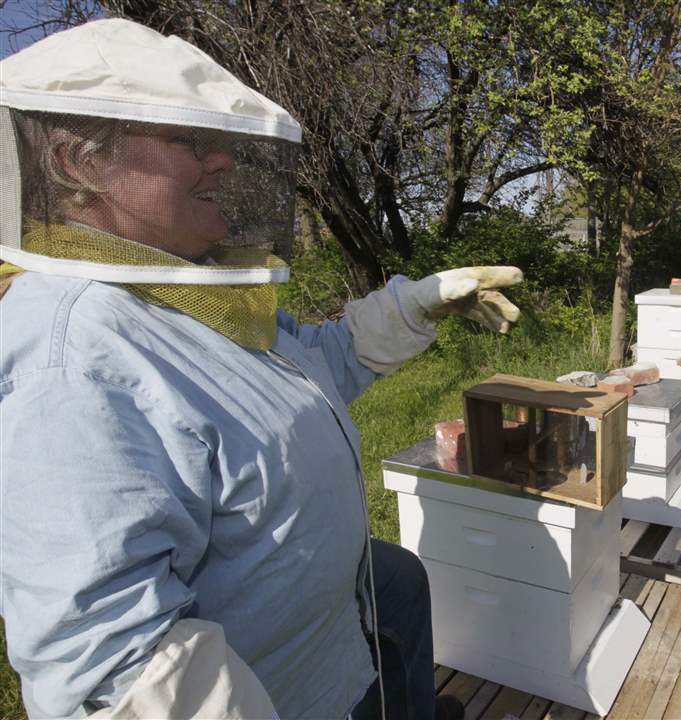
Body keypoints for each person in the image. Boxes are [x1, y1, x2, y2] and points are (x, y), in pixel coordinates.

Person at [0, 19, 522, 719]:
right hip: (274, 695)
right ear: (77, 163)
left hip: (321, 642)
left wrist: (417, 306)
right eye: (193, 141)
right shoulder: (70, 357)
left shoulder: (187, 290)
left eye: (223, 142)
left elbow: (312, 369)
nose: (224, 162)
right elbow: (115, 659)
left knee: (396, 578)